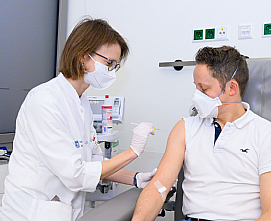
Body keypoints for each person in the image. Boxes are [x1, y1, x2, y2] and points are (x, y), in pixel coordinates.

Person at [2, 18, 156, 221]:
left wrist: (135, 178)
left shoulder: (81, 103)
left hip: (65, 210)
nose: (111, 71)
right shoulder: (45, 100)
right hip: (31, 212)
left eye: (115, 66)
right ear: (84, 56)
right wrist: (132, 152)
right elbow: (77, 175)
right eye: (108, 63)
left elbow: (94, 162)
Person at [132, 46, 271, 221]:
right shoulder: (185, 127)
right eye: (196, 88)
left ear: (232, 88)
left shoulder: (269, 135)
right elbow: (159, 185)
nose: (196, 96)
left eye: (204, 89)